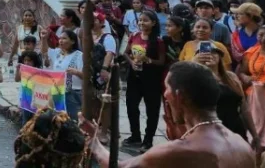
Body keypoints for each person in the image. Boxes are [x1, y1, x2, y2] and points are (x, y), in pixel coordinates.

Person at [83, 61, 255, 168]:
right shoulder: (241, 143)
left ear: (179, 96)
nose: (165, 95)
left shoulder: (179, 150)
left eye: (167, 89)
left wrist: (95, 143)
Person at [195, 46, 258, 149]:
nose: (210, 55)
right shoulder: (196, 79)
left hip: (235, 128)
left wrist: (254, 134)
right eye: (205, 52)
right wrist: (194, 65)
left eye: (214, 53)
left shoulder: (231, 77)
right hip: (210, 130)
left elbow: (244, 107)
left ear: (220, 57)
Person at [123, 9, 165, 151]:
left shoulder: (158, 41)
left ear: (153, 23)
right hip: (134, 77)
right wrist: (131, 62)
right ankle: (135, 135)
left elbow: (161, 61)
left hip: (151, 79)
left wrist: (148, 60)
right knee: (131, 106)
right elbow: (126, 53)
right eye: (140, 20)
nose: (141, 23)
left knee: (151, 110)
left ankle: (148, 140)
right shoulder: (134, 35)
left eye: (145, 20)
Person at [239, 24, 265, 150]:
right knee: (252, 126)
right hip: (252, 94)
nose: (264, 38)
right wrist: (246, 78)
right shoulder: (251, 52)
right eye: (261, 35)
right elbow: (242, 72)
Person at [40, 28, 83, 120]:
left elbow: (86, 76)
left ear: (72, 41)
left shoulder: (79, 55)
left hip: (73, 94)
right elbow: (45, 51)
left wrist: (76, 72)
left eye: (64, 38)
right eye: (60, 38)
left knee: (72, 120)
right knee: (58, 120)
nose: (61, 41)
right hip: (58, 92)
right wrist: (44, 39)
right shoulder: (57, 53)